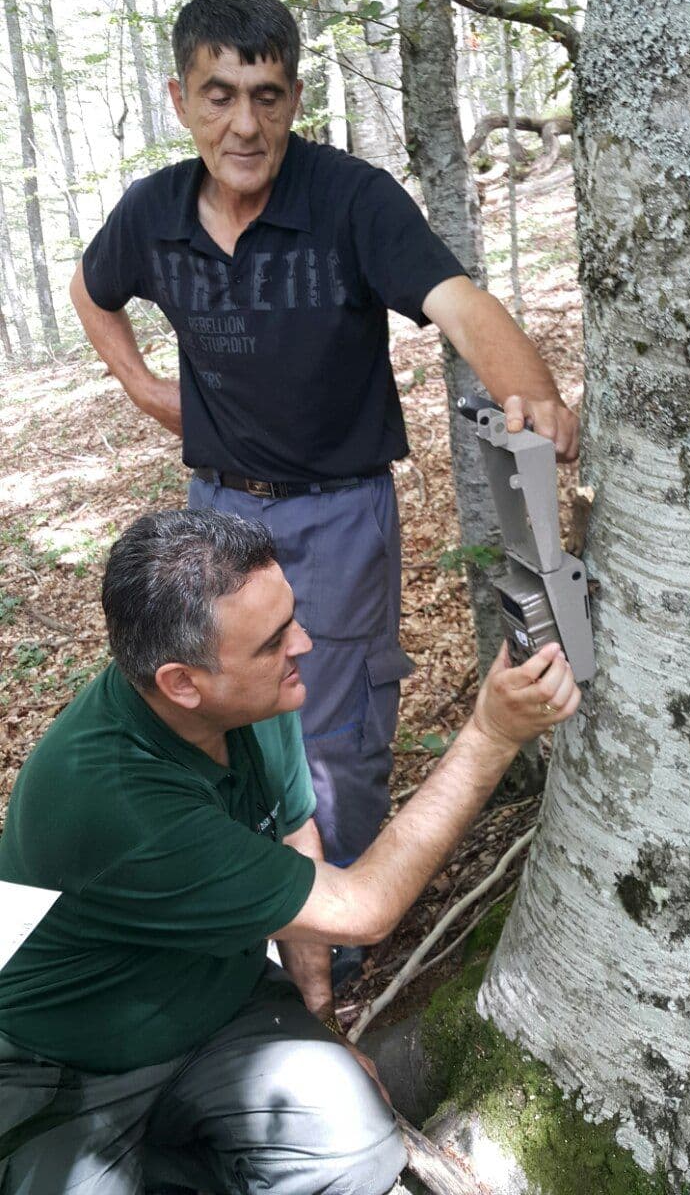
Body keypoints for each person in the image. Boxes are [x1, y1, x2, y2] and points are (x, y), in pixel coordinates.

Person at [69, 0, 580, 877]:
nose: (244, 125)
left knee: (335, 737)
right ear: (180, 100)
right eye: (218, 95)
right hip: (217, 517)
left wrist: (529, 389)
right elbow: (90, 289)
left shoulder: (349, 199)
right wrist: (147, 388)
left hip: (339, 518)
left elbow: (456, 304)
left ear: (295, 99)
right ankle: (265, 914)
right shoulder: (152, 213)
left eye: (266, 96)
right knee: (230, 721)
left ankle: (340, 935)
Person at [0, 508, 580, 1193]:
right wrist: (490, 733)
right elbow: (363, 910)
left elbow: (294, 836)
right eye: (274, 642)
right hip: (68, 1062)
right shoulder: (115, 803)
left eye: (291, 619)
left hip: (218, 1002)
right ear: (183, 682)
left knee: (357, 1146)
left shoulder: (242, 700)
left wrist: (319, 1022)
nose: (303, 644)